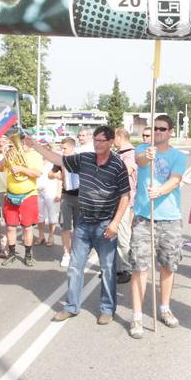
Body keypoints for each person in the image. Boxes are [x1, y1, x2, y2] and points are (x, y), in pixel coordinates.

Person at [25, 127, 129, 325]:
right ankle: (71, 306)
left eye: (101, 141)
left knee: (108, 269)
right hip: (83, 223)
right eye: (95, 140)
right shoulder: (85, 158)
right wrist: (36, 145)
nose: (97, 144)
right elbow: (59, 159)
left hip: (105, 225)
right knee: (74, 267)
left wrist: (115, 223)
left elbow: (125, 196)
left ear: (110, 142)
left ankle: (107, 309)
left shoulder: (118, 165)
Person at [128, 115, 187, 339]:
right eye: (155, 129)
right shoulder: (143, 149)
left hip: (170, 219)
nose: (158, 132)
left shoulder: (178, 156)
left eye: (163, 129)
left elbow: (176, 179)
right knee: (139, 267)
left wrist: (160, 190)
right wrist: (148, 156)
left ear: (170, 132)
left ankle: (164, 308)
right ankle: (137, 316)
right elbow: (141, 160)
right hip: (144, 218)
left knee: (168, 266)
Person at [0, 136, 43, 266]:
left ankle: (28, 255)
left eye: (26, 142)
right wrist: (5, 157)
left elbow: (37, 173)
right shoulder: (11, 155)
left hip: (28, 196)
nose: (24, 144)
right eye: (22, 142)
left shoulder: (35, 155)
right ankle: (12, 254)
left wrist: (21, 169)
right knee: (10, 227)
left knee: (27, 227)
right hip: (10, 195)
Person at [112, 128, 137, 285]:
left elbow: (127, 170)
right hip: (116, 199)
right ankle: (118, 268)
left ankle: (127, 269)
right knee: (115, 235)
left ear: (120, 137)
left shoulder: (129, 153)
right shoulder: (120, 153)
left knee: (123, 235)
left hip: (125, 200)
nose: (112, 140)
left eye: (113, 137)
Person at [53, 137, 80, 268]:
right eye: (61, 148)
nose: (62, 150)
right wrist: (58, 175)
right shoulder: (61, 160)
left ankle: (77, 252)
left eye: (64, 148)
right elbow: (50, 174)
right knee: (65, 227)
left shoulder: (80, 159)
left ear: (72, 147)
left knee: (79, 228)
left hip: (80, 196)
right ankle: (66, 254)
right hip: (66, 196)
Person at [35, 142, 61, 247]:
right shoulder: (37, 162)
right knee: (39, 215)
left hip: (51, 191)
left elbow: (59, 179)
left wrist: (58, 193)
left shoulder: (54, 163)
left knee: (51, 215)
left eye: (46, 149)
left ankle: (51, 236)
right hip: (38, 191)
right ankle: (41, 236)